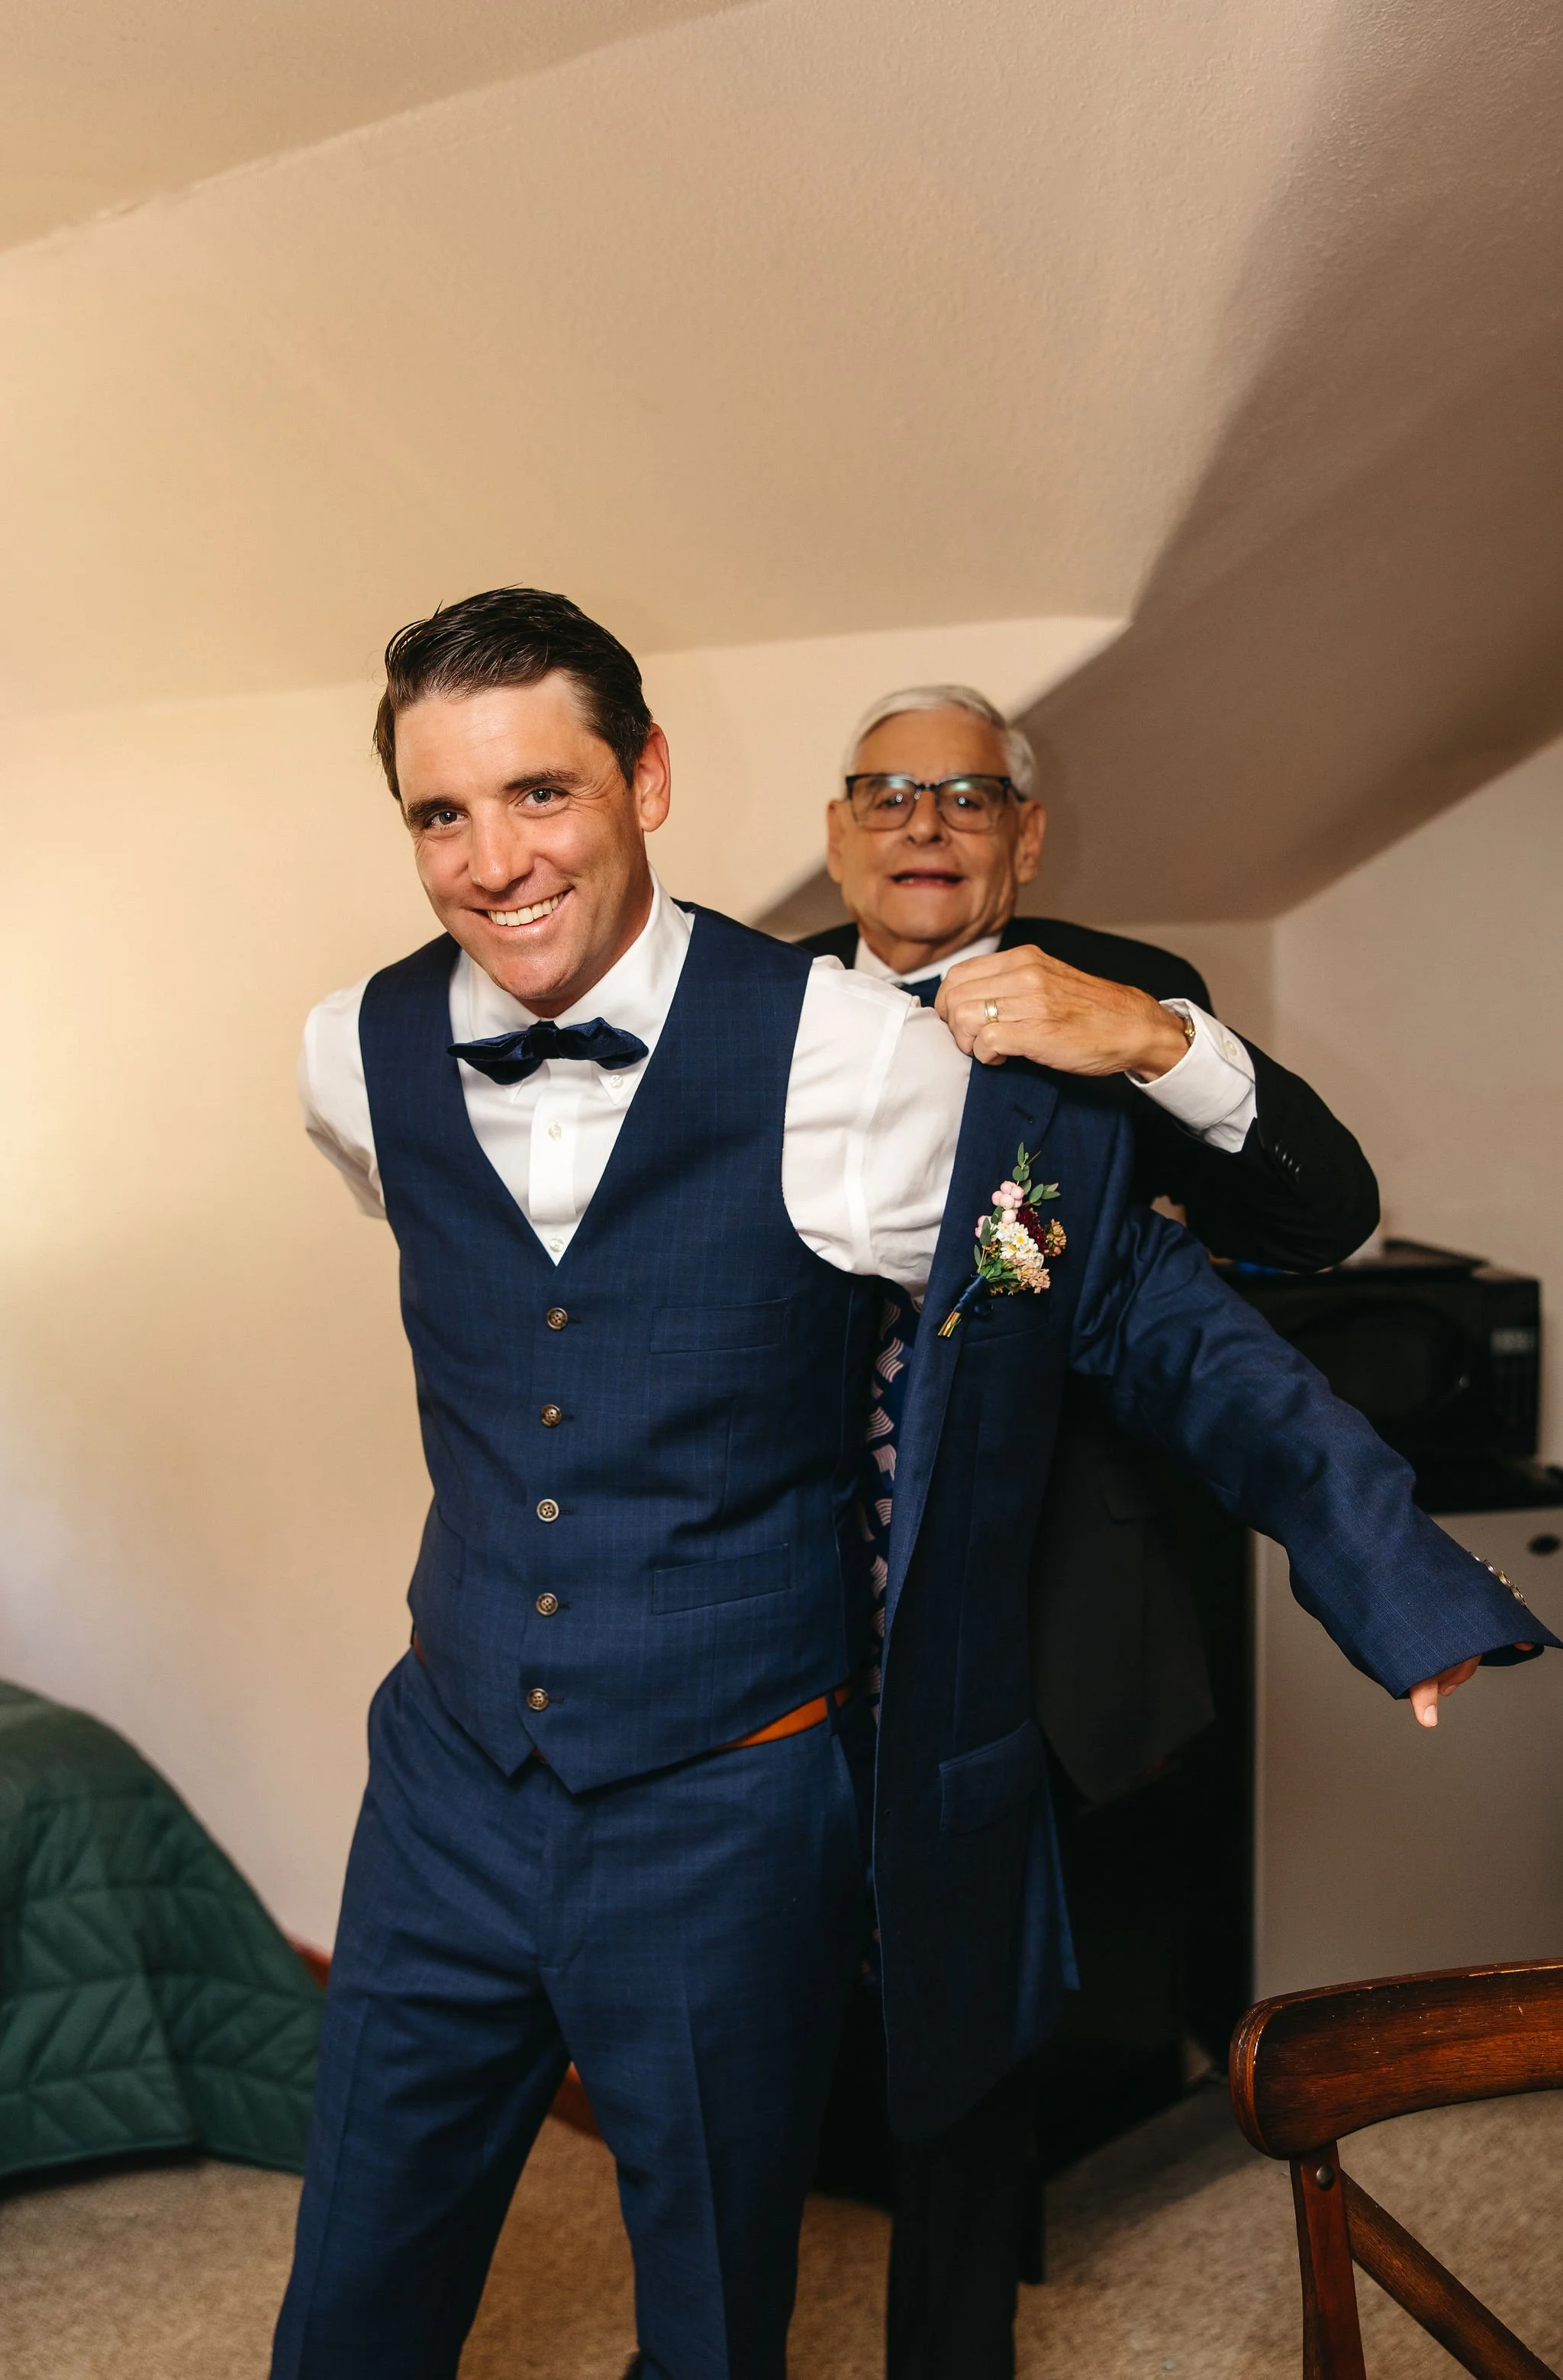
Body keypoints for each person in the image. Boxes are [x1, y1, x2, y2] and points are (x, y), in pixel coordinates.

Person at [274, 593, 1545, 2380]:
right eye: (440, 814)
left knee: (715, 2321)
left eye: (541, 794)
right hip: (444, 1791)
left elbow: (1126, 1296)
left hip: (724, 1800)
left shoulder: (849, 1053)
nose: (495, 862)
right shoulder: (355, 1051)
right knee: (345, 2301)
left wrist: (1385, 1558)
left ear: (644, 777)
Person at [796, 682, 1384, 2378]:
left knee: (971, 2038)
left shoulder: (1118, 998)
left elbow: (1322, 1215)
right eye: (886, 793)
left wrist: (1147, 1042)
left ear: (1024, 836)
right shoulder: (751, 1014)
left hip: (1026, 1598)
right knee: (761, 2005)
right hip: (783, 1597)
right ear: (834, 831)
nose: (924, 823)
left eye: (967, 796)